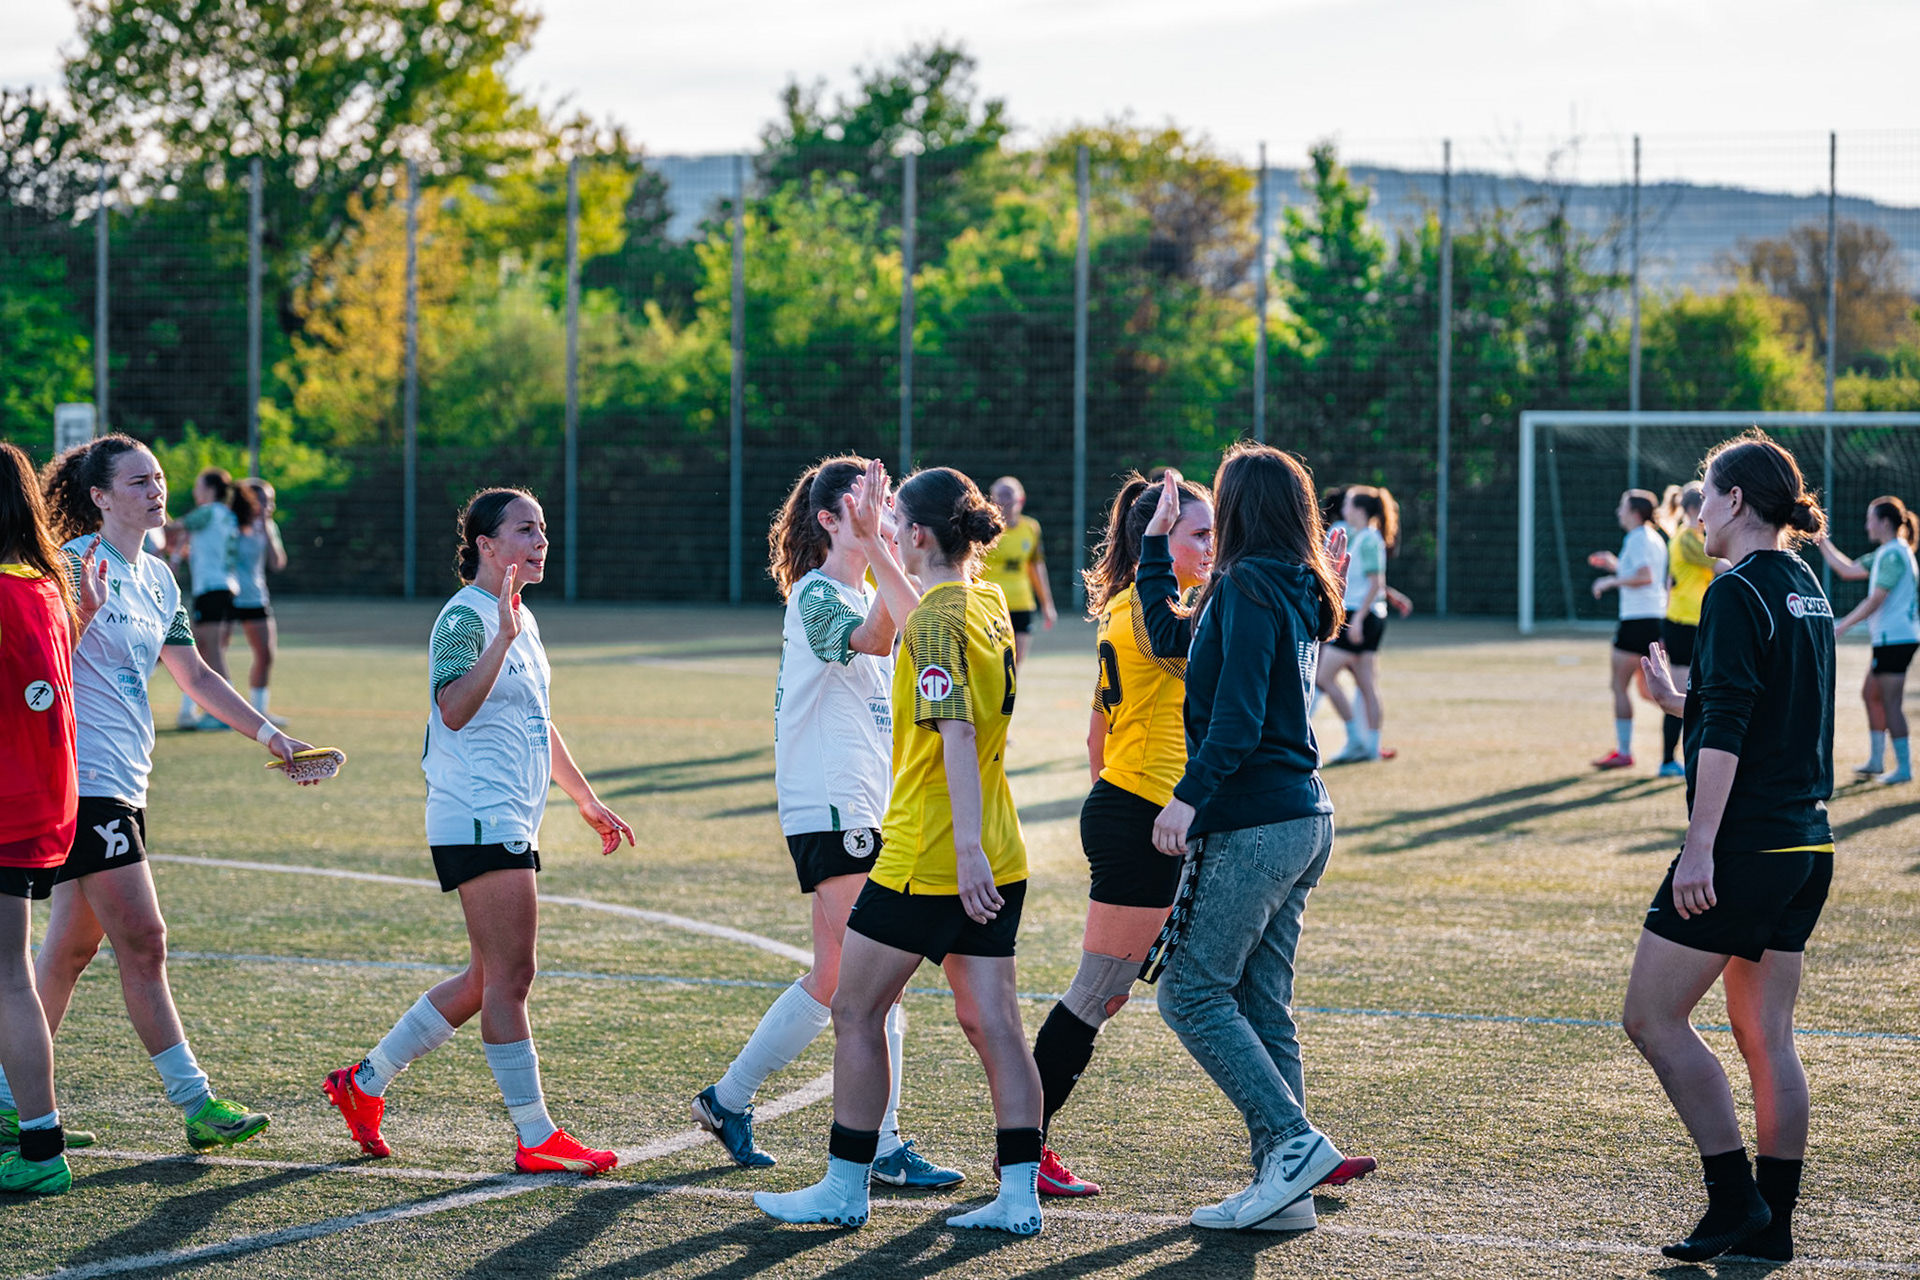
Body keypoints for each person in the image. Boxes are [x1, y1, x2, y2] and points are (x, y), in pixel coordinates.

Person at [756, 468, 1044, 1235]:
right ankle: (1020, 1197)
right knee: (998, 1025)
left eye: (895, 521)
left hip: (932, 855)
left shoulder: (938, 623)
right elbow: (914, 621)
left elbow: (954, 734)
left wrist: (967, 855)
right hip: (999, 847)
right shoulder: (983, 604)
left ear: (916, 533)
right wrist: (878, 547)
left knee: (854, 1008)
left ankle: (845, 1186)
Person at [324, 488, 635, 1174]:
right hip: (476, 814)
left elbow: (536, 719)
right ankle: (535, 1136)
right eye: (526, 529)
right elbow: (455, 706)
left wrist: (585, 798)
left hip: (505, 815)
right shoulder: (466, 618)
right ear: (487, 545)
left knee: (484, 976)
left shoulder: (520, 617)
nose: (541, 539)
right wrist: (500, 638)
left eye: (544, 529)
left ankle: (362, 1083)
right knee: (512, 976)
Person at [13, 436, 306, 1154]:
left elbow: (196, 677)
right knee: (145, 939)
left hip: (126, 778)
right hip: (83, 781)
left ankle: (7, 1099)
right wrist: (79, 612)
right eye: (138, 480)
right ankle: (195, 1100)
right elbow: (40, 662)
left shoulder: (159, 579)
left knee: (68, 953)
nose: (156, 489)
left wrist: (274, 738)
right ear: (100, 496)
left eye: (160, 478)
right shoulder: (72, 564)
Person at [693, 457, 962, 1189]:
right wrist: (886, 548)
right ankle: (883, 1148)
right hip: (831, 806)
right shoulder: (816, 596)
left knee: (840, 977)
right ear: (829, 520)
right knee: (878, 981)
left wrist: (891, 555)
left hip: (867, 804)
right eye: (866, 504)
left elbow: (915, 627)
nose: (883, 513)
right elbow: (878, 639)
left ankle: (727, 1100)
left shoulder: (864, 589)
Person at [1629, 432, 1835, 1263]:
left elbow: (1734, 733)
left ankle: (1734, 1199)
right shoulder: (1805, 586)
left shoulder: (1734, 589)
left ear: (1737, 501)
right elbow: (1753, 713)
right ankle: (1772, 1223)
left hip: (1745, 847)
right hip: (1806, 846)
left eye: (1703, 494)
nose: (1695, 510)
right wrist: (1684, 701)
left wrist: (1699, 847)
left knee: (1650, 1017)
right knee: (1766, 1036)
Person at [1150, 441, 1353, 1233]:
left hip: (1257, 818)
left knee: (1190, 993)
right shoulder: (1298, 586)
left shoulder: (1244, 586)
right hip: (1304, 814)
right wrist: (1149, 550)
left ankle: (1292, 1145)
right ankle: (1287, 1189)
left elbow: (1236, 720)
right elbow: (1174, 637)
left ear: (1239, 510)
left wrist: (1186, 801)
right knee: (1263, 1005)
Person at [1024, 469, 1213, 1198]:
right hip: (1141, 817)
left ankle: (1288, 1143)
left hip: (1140, 809)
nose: (1212, 545)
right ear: (1160, 536)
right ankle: (1023, 1147)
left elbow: (1098, 729)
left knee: (1121, 992)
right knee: (1097, 992)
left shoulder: (1142, 604)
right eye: (1199, 532)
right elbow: (1184, 655)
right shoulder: (1147, 607)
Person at [0, 443, 105, 1195]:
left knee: (8, 976)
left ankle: (39, 1144)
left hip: (12, 806)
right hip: (42, 804)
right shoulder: (43, 584)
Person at [1813, 495, 1920, 785]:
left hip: (1895, 640)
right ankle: (1876, 760)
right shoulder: (1888, 552)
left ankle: (1904, 768)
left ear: (1884, 522)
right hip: (1891, 639)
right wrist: (1820, 539)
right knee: (1871, 694)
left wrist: (1843, 625)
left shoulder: (1894, 554)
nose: (1866, 524)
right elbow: (1846, 570)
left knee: (1891, 702)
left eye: (1870, 518)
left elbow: (1876, 599)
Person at [1316, 485, 1399, 763]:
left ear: (1361, 511)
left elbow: (1376, 582)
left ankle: (1356, 740)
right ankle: (1370, 747)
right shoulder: (1354, 535)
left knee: (1323, 677)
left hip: (1359, 616)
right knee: (1365, 683)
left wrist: (1360, 620)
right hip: (1361, 615)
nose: (1344, 508)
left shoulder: (1370, 539)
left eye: (1350, 503)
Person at [169, 467, 256, 730]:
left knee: (212, 652)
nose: (195, 491)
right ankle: (194, 710)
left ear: (208, 489)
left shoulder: (208, 512)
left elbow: (173, 527)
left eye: (198, 485)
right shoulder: (225, 515)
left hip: (213, 589)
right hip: (225, 588)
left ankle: (224, 714)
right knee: (203, 651)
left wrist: (153, 507)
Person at [1588, 489, 1669, 769]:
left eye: (1622, 507)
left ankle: (1624, 752)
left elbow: (1645, 577)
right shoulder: (1653, 538)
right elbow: (1642, 572)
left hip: (1636, 621)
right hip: (1654, 618)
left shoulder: (1636, 538)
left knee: (1618, 686)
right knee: (1650, 691)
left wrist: (1610, 581)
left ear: (1635, 513)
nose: (1618, 512)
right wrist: (1616, 565)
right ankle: (1689, 726)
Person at [1655, 483, 1723, 778]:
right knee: (1682, 694)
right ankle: (1669, 760)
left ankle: (1682, 758)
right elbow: (1721, 564)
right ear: (1695, 510)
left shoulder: (1690, 536)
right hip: (1683, 623)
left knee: (1694, 692)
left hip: (1692, 622)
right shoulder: (1686, 538)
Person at [230, 478, 288, 726]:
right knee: (211, 655)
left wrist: (265, 526)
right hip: (228, 596)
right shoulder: (229, 522)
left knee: (265, 654)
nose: (268, 505)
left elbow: (277, 563)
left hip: (255, 597)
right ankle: (204, 711)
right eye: (263, 499)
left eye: (270, 500)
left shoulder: (268, 526)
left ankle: (260, 711)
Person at [983, 476, 1057, 669]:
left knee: (1015, 662)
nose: (1005, 501)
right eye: (1001, 495)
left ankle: (1007, 698)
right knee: (993, 661)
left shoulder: (1031, 528)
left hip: (1021, 603)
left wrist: (1047, 604)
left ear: (1021, 499)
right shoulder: (985, 528)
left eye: (1010, 495)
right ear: (992, 500)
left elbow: (1036, 566)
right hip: (989, 604)